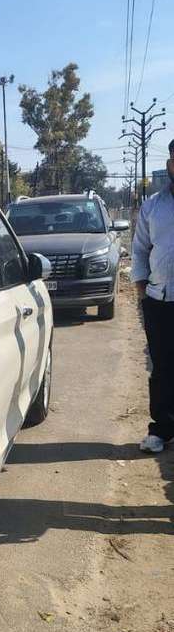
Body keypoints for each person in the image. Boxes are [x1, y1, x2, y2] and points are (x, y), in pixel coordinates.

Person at [131, 137, 174, 453]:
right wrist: (141, 288)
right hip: (160, 300)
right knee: (161, 367)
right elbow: (140, 250)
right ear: (170, 164)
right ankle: (161, 430)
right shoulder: (153, 207)